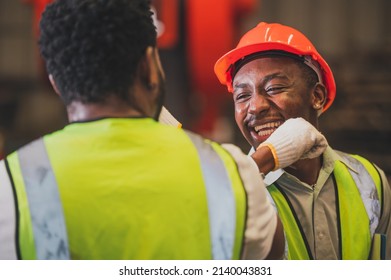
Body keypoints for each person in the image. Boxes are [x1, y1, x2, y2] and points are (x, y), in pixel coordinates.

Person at [0, 1, 327, 260]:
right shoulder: (232, 175)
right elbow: (271, 257)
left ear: (57, 83)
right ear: (148, 66)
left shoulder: (9, 184)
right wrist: (259, 161)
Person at [214, 21, 391, 260]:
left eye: (274, 87)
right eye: (242, 95)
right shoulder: (231, 193)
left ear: (317, 96)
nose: (255, 107)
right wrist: (256, 166)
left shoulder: (369, 180)